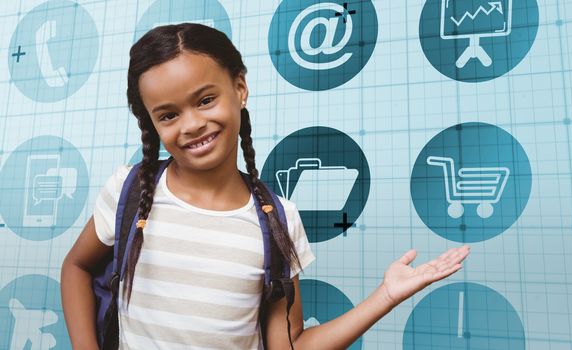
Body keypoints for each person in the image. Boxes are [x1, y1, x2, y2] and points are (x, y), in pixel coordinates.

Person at [60, 23, 470, 350]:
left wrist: (385, 296)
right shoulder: (130, 190)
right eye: (168, 115)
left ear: (239, 88)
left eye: (205, 100)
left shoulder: (278, 220)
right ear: (151, 123)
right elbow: (76, 267)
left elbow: (290, 344)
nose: (191, 124)